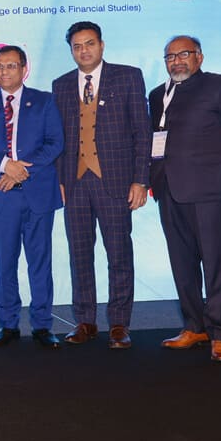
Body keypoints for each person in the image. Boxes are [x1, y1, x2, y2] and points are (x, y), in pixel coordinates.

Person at [149, 36, 221, 362]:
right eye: (170, 56)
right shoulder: (157, 94)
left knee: (215, 263)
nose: (176, 61)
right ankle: (195, 327)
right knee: (182, 265)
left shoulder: (220, 86)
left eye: (184, 54)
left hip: (210, 193)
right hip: (168, 191)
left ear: (199, 56)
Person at [52, 21, 151, 349]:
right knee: (79, 255)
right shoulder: (61, 85)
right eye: (77, 46)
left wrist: (140, 179)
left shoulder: (128, 77)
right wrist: (59, 180)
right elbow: (57, 139)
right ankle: (85, 321)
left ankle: (119, 324)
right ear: (71, 50)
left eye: (90, 43)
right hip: (75, 184)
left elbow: (142, 132)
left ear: (102, 45)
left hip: (116, 182)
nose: (84, 50)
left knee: (119, 254)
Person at [0, 45, 64, 349]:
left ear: (24, 69)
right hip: (1, 194)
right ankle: (8, 324)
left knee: (40, 262)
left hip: (38, 193)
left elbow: (55, 142)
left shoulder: (45, 101)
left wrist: (20, 170)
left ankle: (42, 325)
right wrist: (4, 166)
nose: (3, 72)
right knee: (5, 263)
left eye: (10, 66)